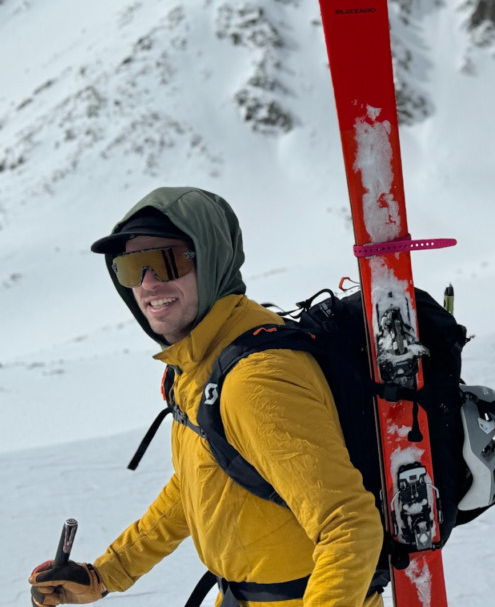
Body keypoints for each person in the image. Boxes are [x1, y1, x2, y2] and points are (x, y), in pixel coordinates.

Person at [28, 186, 384, 607]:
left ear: (211, 258)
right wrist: (107, 573)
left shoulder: (254, 379)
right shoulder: (203, 360)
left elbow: (349, 525)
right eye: (131, 267)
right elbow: (197, 485)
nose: (148, 283)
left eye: (167, 261)